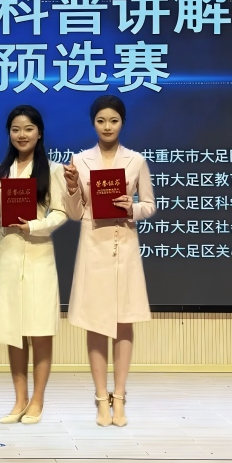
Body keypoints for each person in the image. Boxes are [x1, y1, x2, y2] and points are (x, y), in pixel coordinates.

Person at [63, 94, 156, 427]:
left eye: (113, 121)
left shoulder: (136, 160)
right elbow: (75, 213)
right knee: (96, 323)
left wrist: (132, 207)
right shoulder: (79, 160)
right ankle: (101, 398)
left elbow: (150, 205)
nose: (107, 127)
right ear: (93, 124)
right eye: (101, 121)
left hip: (124, 245)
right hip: (94, 248)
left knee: (124, 322)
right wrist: (72, 188)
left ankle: (120, 397)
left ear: (122, 123)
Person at [0, 105, 68, 425]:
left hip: (37, 257)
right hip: (7, 256)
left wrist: (33, 225)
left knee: (40, 331)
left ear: (39, 133)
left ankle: (37, 400)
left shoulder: (53, 170)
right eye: (16, 129)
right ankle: (19, 400)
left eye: (28, 128)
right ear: (9, 133)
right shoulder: (2, 171)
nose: (22, 134)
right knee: (13, 332)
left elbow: (60, 213)